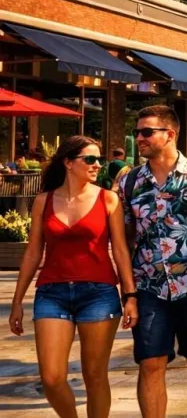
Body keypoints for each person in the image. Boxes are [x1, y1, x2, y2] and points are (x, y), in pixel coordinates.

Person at [8, 136, 138, 418]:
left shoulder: (108, 199)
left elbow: (120, 250)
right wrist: (17, 300)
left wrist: (130, 295)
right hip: (51, 293)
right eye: (89, 159)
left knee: (94, 375)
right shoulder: (44, 200)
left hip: (99, 293)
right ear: (68, 163)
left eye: (99, 159)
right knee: (52, 378)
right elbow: (33, 252)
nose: (97, 165)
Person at [119, 105, 187, 418]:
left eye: (146, 132)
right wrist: (128, 293)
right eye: (137, 132)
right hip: (149, 287)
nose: (139, 138)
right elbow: (124, 239)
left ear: (169, 135)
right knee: (150, 362)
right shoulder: (129, 184)